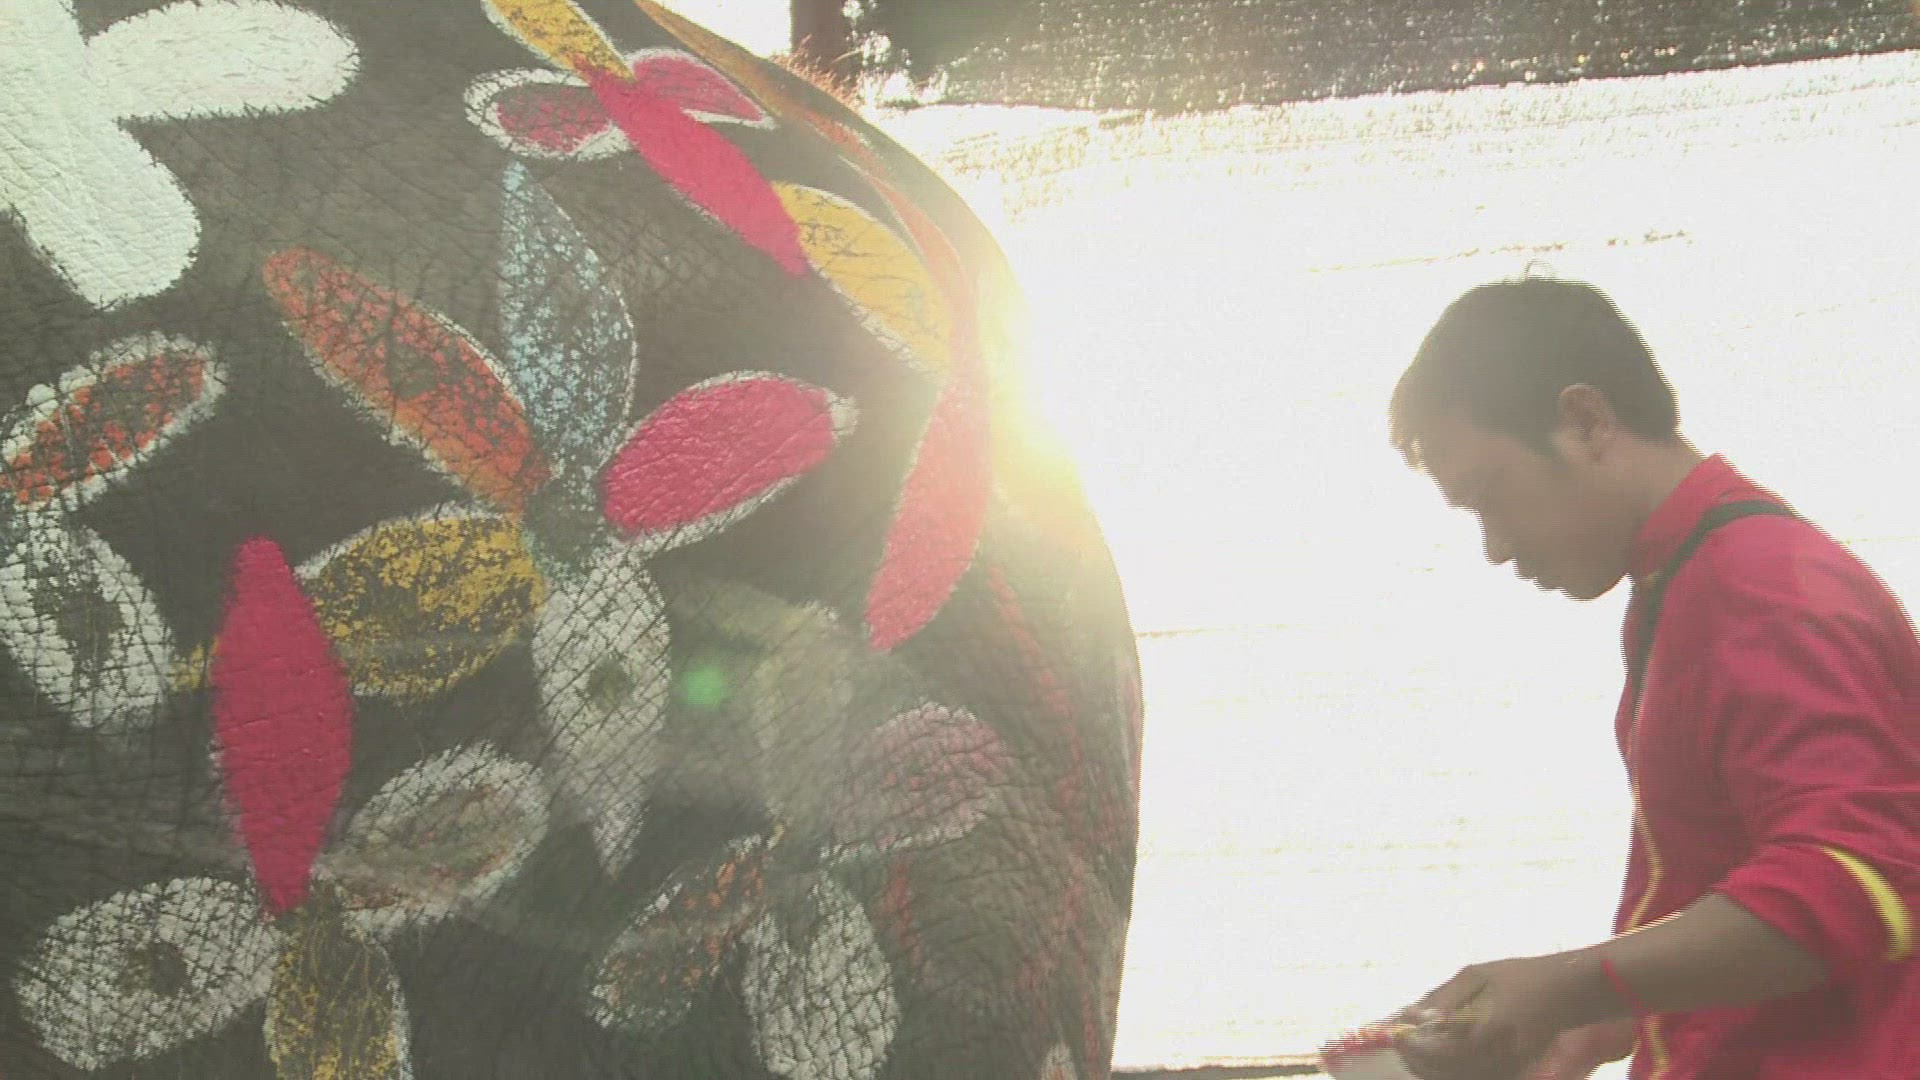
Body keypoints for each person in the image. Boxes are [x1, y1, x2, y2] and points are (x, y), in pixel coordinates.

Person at [1382, 276, 1920, 1080]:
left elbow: (1860, 876)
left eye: (1491, 494)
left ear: (1587, 420)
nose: (1495, 546)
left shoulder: (1759, 589)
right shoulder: (1687, 580)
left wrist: (1569, 987)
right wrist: (1601, 1021)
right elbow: (1726, 872)